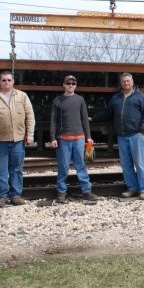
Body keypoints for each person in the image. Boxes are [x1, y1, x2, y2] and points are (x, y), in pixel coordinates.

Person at [0, 70, 35, 208]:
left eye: (9, 80)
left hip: (18, 141)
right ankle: (2, 197)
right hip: (0, 142)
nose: (6, 82)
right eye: (4, 80)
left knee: (17, 170)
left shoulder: (22, 96)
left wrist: (30, 135)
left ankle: (16, 196)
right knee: (1, 170)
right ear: (0, 82)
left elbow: (30, 116)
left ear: (13, 81)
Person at [96, 72, 144, 199]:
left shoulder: (140, 97)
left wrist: (141, 130)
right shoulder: (116, 98)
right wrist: (91, 118)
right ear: (121, 84)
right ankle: (132, 188)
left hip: (136, 136)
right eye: (124, 81)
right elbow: (108, 113)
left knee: (140, 163)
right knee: (126, 164)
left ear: (132, 82)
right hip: (122, 136)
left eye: (128, 81)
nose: (126, 83)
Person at [49, 74, 97, 204]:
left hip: (79, 139)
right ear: (63, 85)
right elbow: (53, 120)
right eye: (68, 83)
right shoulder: (57, 101)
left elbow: (84, 120)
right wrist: (52, 137)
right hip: (63, 139)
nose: (71, 85)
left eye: (73, 83)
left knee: (82, 166)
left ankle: (87, 191)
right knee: (63, 167)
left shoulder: (80, 100)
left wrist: (89, 137)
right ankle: (61, 193)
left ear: (75, 85)